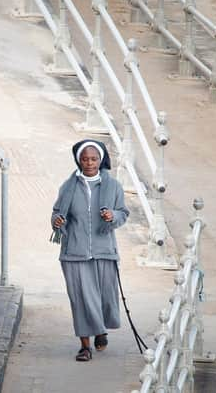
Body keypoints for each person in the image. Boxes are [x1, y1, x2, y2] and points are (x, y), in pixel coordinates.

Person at [50, 139, 129, 362]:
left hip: (104, 251)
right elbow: (56, 213)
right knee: (81, 299)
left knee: (104, 298)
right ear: (78, 160)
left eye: (94, 159)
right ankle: (85, 346)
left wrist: (112, 216)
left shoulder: (113, 186)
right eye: (85, 159)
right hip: (74, 253)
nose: (89, 163)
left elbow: (123, 213)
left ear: (101, 160)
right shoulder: (68, 187)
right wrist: (57, 221)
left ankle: (101, 330)